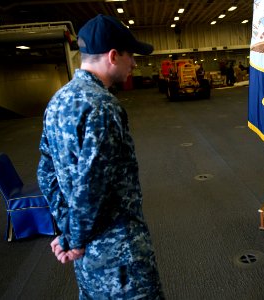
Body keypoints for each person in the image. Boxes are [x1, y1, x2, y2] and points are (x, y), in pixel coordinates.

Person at [37, 14, 164, 299]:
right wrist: (75, 238)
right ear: (113, 56)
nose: (134, 63)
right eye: (131, 56)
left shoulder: (57, 102)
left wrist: (69, 235)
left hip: (86, 259)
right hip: (120, 259)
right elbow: (91, 186)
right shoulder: (104, 106)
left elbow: (46, 174)